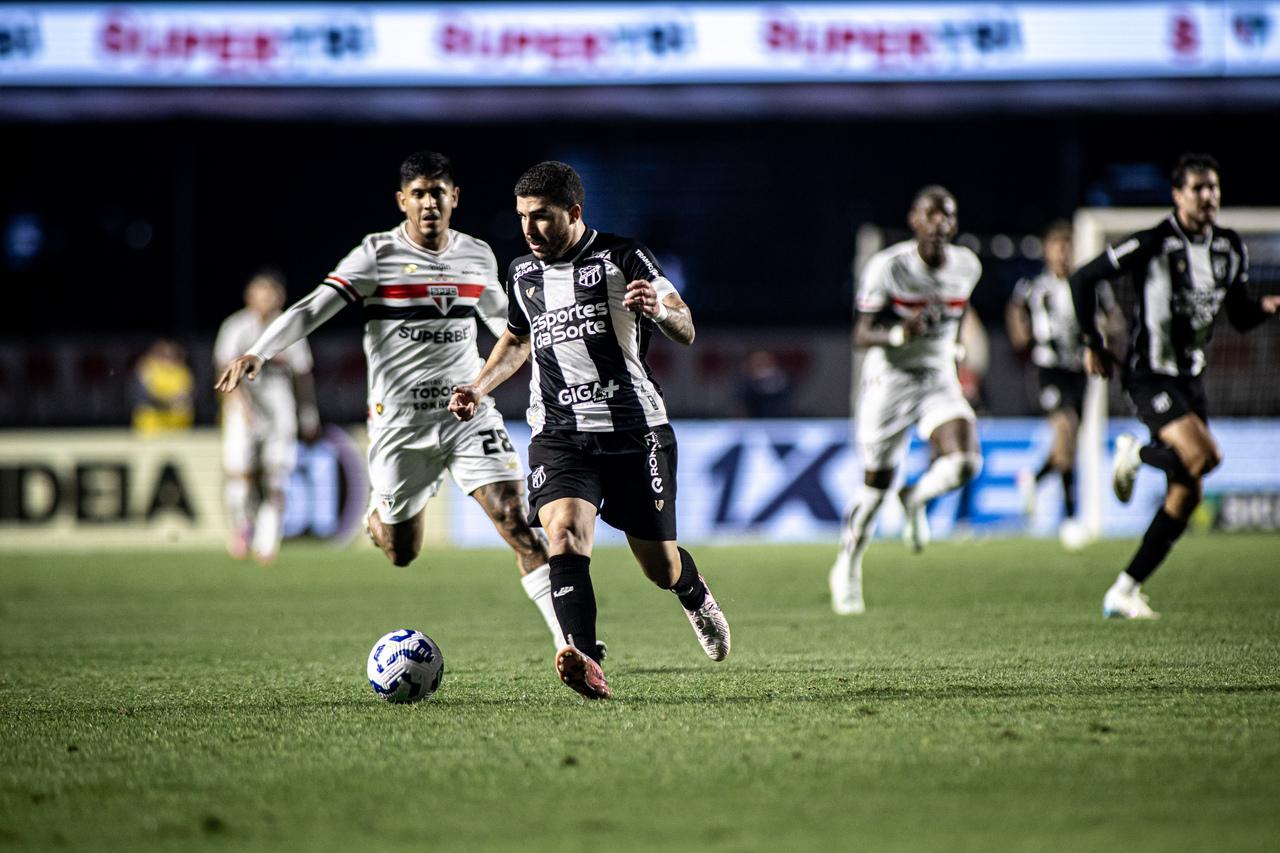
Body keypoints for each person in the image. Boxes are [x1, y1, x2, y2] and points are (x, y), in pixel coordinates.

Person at [215, 151, 572, 651]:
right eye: (419, 193)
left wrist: (553, 350)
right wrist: (260, 350)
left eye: (438, 192)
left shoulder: (476, 255)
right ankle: (377, 517)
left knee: (515, 517)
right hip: (400, 425)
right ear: (402, 200)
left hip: (466, 413)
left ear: (454, 197)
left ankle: (570, 644)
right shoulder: (376, 255)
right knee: (402, 552)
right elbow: (313, 307)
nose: (429, 203)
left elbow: (506, 324)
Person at [449, 161, 730, 700]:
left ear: (574, 212)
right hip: (560, 434)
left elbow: (686, 324)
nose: (529, 229)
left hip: (634, 431)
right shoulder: (522, 274)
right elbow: (517, 339)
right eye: (522, 217)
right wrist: (479, 387)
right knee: (563, 534)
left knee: (660, 565)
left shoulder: (623, 257)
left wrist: (659, 310)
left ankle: (692, 592)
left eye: (541, 216)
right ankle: (584, 656)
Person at [1070, 152, 1280, 619]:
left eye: (1213, 187)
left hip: (1192, 378)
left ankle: (1124, 589)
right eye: (1197, 188)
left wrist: (1265, 308)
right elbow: (1083, 278)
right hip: (1149, 373)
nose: (1208, 196)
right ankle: (1135, 455)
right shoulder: (1154, 242)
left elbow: (1239, 317)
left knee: (1188, 492)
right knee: (1206, 457)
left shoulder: (1230, 247)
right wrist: (1092, 341)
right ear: (1177, 195)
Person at [829, 186, 984, 615]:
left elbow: (958, 312)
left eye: (947, 215)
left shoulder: (968, 266)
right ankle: (847, 565)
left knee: (966, 462)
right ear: (914, 220)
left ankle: (915, 496)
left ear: (955, 223)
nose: (939, 223)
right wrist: (901, 332)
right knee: (875, 489)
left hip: (937, 376)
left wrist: (956, 350)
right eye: (930, 214)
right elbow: (861, 333)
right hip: (890, 381)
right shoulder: (889, 267)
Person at [1007, 222, 1123, 537]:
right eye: (1058, 247)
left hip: (1080, 369)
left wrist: (1105, 331)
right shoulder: (1034, 286)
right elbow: (1014, 308)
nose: (1063, 253)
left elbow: (1116, 320)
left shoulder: (1091, 285)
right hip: (1048, 368)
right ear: (1046, 251)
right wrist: (1020, 334)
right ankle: (1070, 519)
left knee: (1067, 446)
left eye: (1068, 247)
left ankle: (1034, 480)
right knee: (1066, 428)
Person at [214, 269, 319, 562]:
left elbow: (302, 376)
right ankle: (241, 527)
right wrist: (241, 409)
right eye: (260, 293)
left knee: (276, 478)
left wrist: (308, 414)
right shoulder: (235, 327)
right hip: (242, 411)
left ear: (280, 297)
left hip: (280, 412)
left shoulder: (290, 327)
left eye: (270, 293)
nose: (265, 299)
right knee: (240, 479)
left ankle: (267, 541)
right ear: (249, 296)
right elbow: (223, 373)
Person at [130, 338, 194, 434]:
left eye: (172, 354)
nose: (167, 357)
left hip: (176, 425)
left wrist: (180, 401)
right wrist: (169, 401)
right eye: (163, 353)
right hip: (151, 425)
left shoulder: (182, 371)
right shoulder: (147, 368)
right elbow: (146, 395)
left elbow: (187, 395)